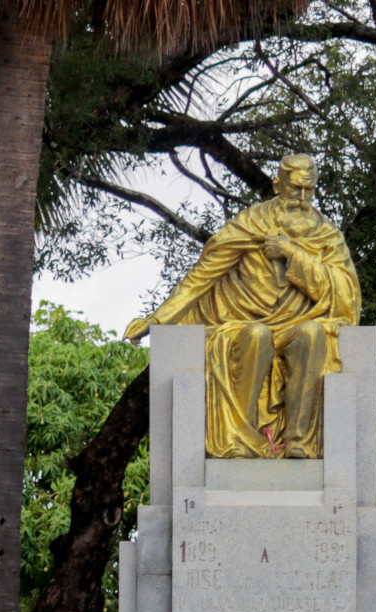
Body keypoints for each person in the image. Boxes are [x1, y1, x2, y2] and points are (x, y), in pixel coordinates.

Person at [123, 154, 361, 459]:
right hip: (245, 323)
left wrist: (294, 255)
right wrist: (157, 318)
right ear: (278, 185)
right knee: (256, 336)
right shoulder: (251, 224)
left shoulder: (327, 235)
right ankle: (242, 436)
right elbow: (202, 275)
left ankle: (298, 439)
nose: (301, 198)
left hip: (296, 324)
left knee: (313, 335)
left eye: (308, 190)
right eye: (295, 189)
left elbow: (347, 294)